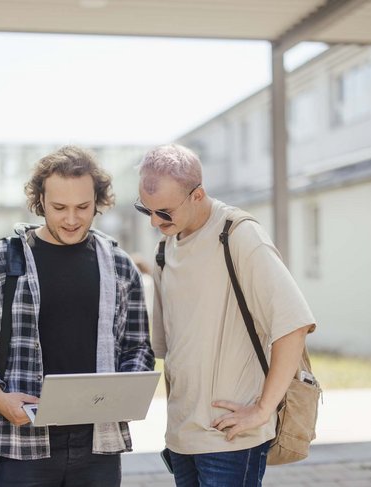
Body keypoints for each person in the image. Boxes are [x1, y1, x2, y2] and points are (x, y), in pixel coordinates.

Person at [0, 145, 155, 487]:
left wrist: (127, 393)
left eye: (82, 207)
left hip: (98, 449)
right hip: (22, 446)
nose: (71, 219)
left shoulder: (120, 266)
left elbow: (138, 347)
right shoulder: (2, 260)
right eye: (59, 207)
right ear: (39, 201)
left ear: (98, 202)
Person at [136, 144, 317, 487]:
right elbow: (170, 349)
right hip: (180, 436)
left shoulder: (238, 235)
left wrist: (263, 409)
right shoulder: (164, 250)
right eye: (146, 210)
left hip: (230, 437)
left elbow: (294, 325)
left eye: (164, 212)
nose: (155, 222)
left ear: (198, 195)